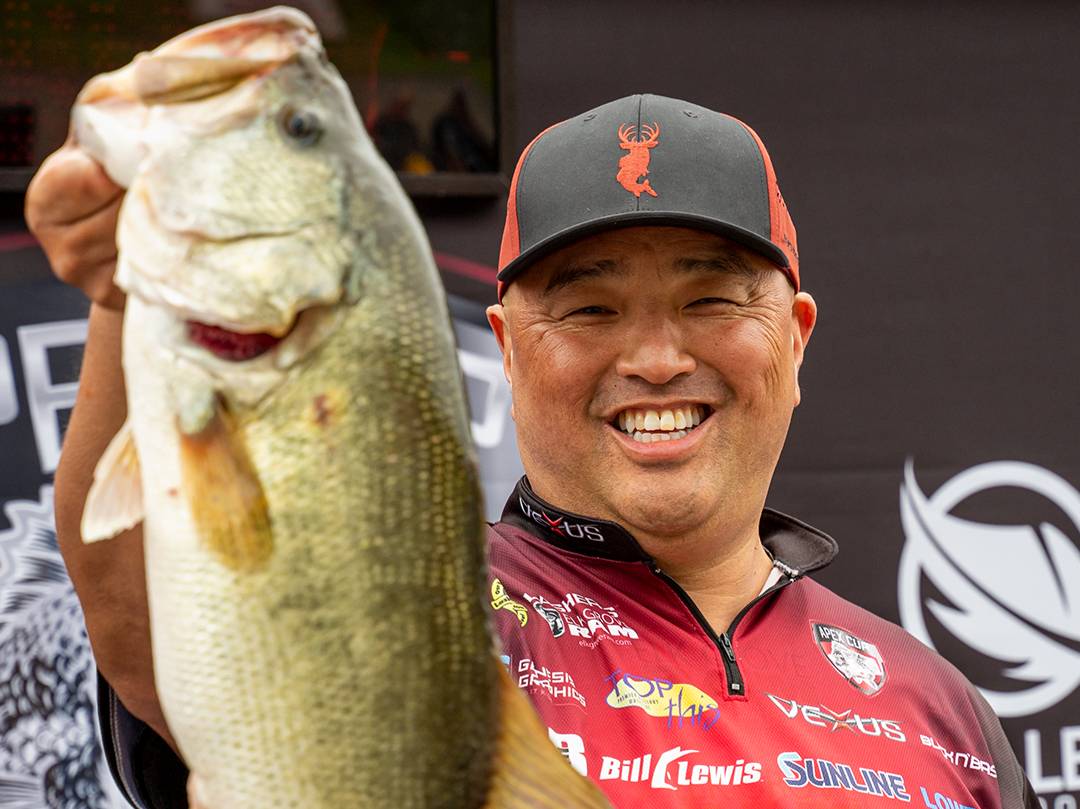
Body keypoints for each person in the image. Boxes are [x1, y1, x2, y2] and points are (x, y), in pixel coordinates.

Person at [26, 94, 1038, 808]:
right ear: (507, 350)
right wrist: (130, 290)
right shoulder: (415, 597)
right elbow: (138, 609)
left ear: (796, 335)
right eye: (590, 307)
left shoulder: (940, 704)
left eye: (710, 298)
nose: (653, 355)